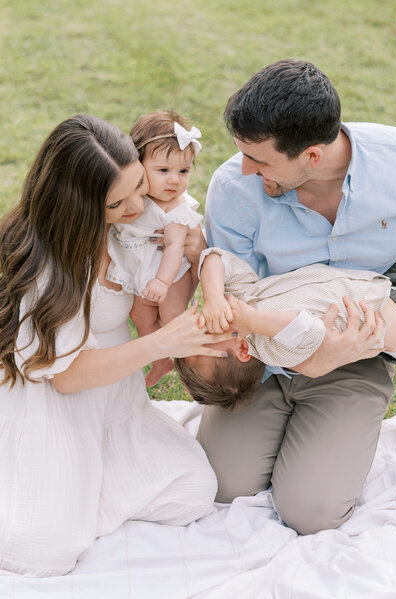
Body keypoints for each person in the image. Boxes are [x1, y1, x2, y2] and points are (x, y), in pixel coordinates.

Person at [0, 114, 232, 577]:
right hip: (55, 406)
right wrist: (161, 343)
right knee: (41, 553)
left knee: (194, 491)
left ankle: (89, 487)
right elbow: (64, 377)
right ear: (77, 205)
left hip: (113, 402)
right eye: (117, 202)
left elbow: (180, 262)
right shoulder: (48, 269)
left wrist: (189, 255)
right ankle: (65, 489)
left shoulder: (135, 223)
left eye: (139, 190)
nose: (137, 207)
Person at [194, 59, 396, 535]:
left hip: (355, 357)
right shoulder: (234, 188)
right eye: (242, 153)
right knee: (223, 485)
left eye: (260, 160)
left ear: (311, 155)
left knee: (311, 512)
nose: (245, 169)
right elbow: (229, 283)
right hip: (261, 358)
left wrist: (345, 348)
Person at [176, 247, 396, 411]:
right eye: (205, 336)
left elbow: (217, 257)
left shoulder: (244, 296)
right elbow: (310, 330)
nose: (202, 324)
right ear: (242, 350)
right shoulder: (274, 348)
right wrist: (253, 320)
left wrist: (213, 295)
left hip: (378, 285)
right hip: (388, 313)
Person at [107, 111, 203, 386]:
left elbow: (174, 245)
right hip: (144, 276)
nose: (174, 180)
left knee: (173, 319)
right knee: (140, 316)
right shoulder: (137, 196)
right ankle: (161, 360)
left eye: (183, 171)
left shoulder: (177, 207)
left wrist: (162, 282)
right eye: (163, 171)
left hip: (170, 276)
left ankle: (194, 366)